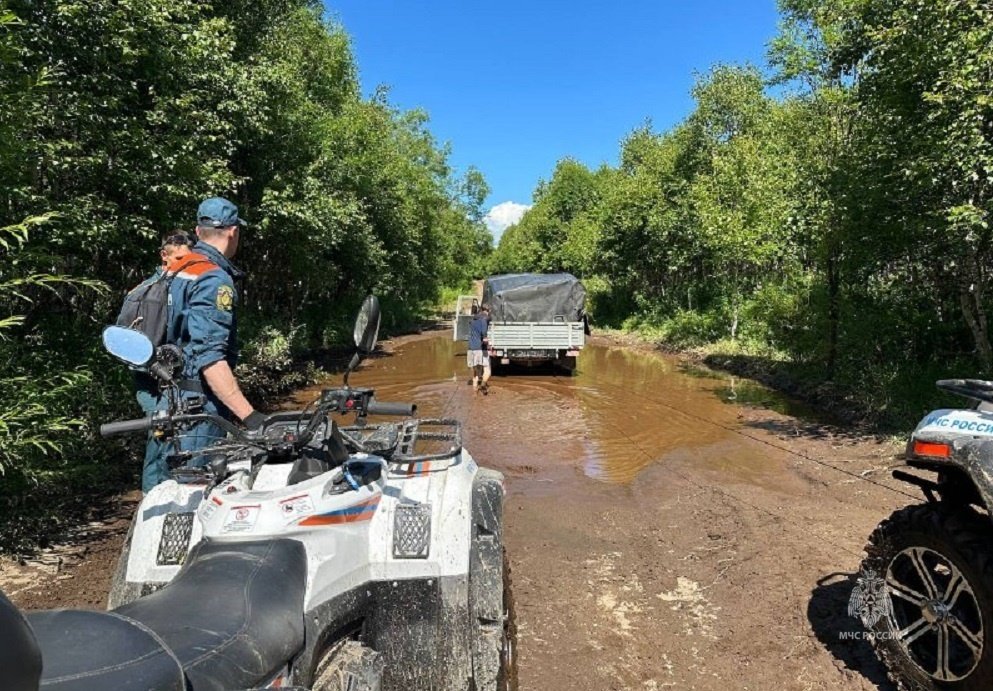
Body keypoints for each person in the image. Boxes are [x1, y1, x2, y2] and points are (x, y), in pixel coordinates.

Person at [144, 197, 265, 490]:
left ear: (198, 233)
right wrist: (251, 418)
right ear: (233, 232)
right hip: (196, 413)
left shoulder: (171, 271)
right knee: (190, 497)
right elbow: (210, 360)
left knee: (157, 496)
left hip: (164, 406)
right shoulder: (214, 279)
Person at [467, 303, 492, 395]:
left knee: (475, 372)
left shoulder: (473, 320)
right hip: (480, 349)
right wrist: (490, 346)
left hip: (470, 349)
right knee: (487, 370)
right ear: (488, 311)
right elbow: (484, 338)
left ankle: (475, 393)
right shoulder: (483, 320)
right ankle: (483, 385)